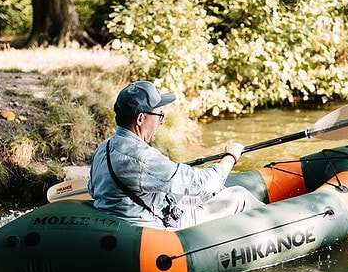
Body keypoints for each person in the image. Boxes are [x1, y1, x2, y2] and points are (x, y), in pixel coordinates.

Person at [88, 80, 264, 230]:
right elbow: (204, 183)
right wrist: (230, 156)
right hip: (158, 230)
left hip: (134, 220)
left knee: (207, 193)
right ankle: (283, 225)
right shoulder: (141, 157)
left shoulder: (104, 149)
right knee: (238, 195)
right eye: (159, 115)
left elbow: (92, 189)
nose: (160, 122)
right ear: (140, 119)